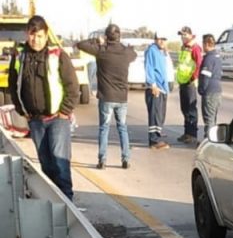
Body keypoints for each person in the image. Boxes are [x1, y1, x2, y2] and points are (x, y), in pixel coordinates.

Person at [8, 15, 79, 201]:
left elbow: (72, 86)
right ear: (27, 34)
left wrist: (64, 111)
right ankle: (52, 208)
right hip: (35, 121)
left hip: (57, 119)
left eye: (39, 36)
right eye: (32, 35)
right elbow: (13, 85)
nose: (36, 40)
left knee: (60, 164)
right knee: (46, 166)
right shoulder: (20, 56)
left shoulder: (57, 55)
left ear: (46, 35)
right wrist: (22, 110)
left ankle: (68, 209)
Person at [76, 24, 137, 169]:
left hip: (106, 97)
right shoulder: (126, 53)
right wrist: (125, 46)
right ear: (119, 36)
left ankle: (102, 160)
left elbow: (80, 45)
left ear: (106, 36)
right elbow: (133, 53)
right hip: (122, 97)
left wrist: (97, 41)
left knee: (104, 128)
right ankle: (126, 159)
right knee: (122, 127)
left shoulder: (101, 51)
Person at [175, 26, 202, 145]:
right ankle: (187, 133)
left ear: (190, 35)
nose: (183, 37)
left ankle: (192, 134)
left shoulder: (195, 48)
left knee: (191, 109)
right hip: (183, 82)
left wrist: (193, 77)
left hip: (190, 83)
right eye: (181, 35)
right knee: (184, 109)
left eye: (185, 35)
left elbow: (199, 64)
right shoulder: (184, 48)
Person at [144, 31, 170, 150]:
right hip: (156, 88)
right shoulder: (152, 50)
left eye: (164, 39)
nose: (162, 41)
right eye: (160, 39)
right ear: (155, 39)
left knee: (160, 115)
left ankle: (157, 135)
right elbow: (149, 67)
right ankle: (154, 140)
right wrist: (153, 84)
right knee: (155, 115)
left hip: (163, 88)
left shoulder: (162, 52)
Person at [198, 34, 222, 139]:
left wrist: (201, 89)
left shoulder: (208, 58)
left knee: (209, 119)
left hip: (210, 91)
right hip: (217, 90)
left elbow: (205, 77)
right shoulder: (217, 57)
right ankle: (212, 138)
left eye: (203, 43)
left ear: (207, 44)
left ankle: (208, 141)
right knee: (213, 117)